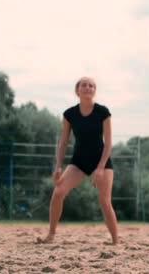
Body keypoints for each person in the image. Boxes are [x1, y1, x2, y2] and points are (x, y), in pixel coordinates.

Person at [38, 76, 118, 245]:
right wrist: (58, 166)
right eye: (84, 85)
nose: (88, 88)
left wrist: (100, 168)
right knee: (58, 192)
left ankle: (115, 241)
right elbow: (64, 142)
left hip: (101, 161)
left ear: (94, 91)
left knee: (104, 201)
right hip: (79, 162)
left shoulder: (103, 112)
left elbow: (109, 143)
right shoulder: (70, 114)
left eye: (91, 86)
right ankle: (51, 235)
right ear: (77, 90)